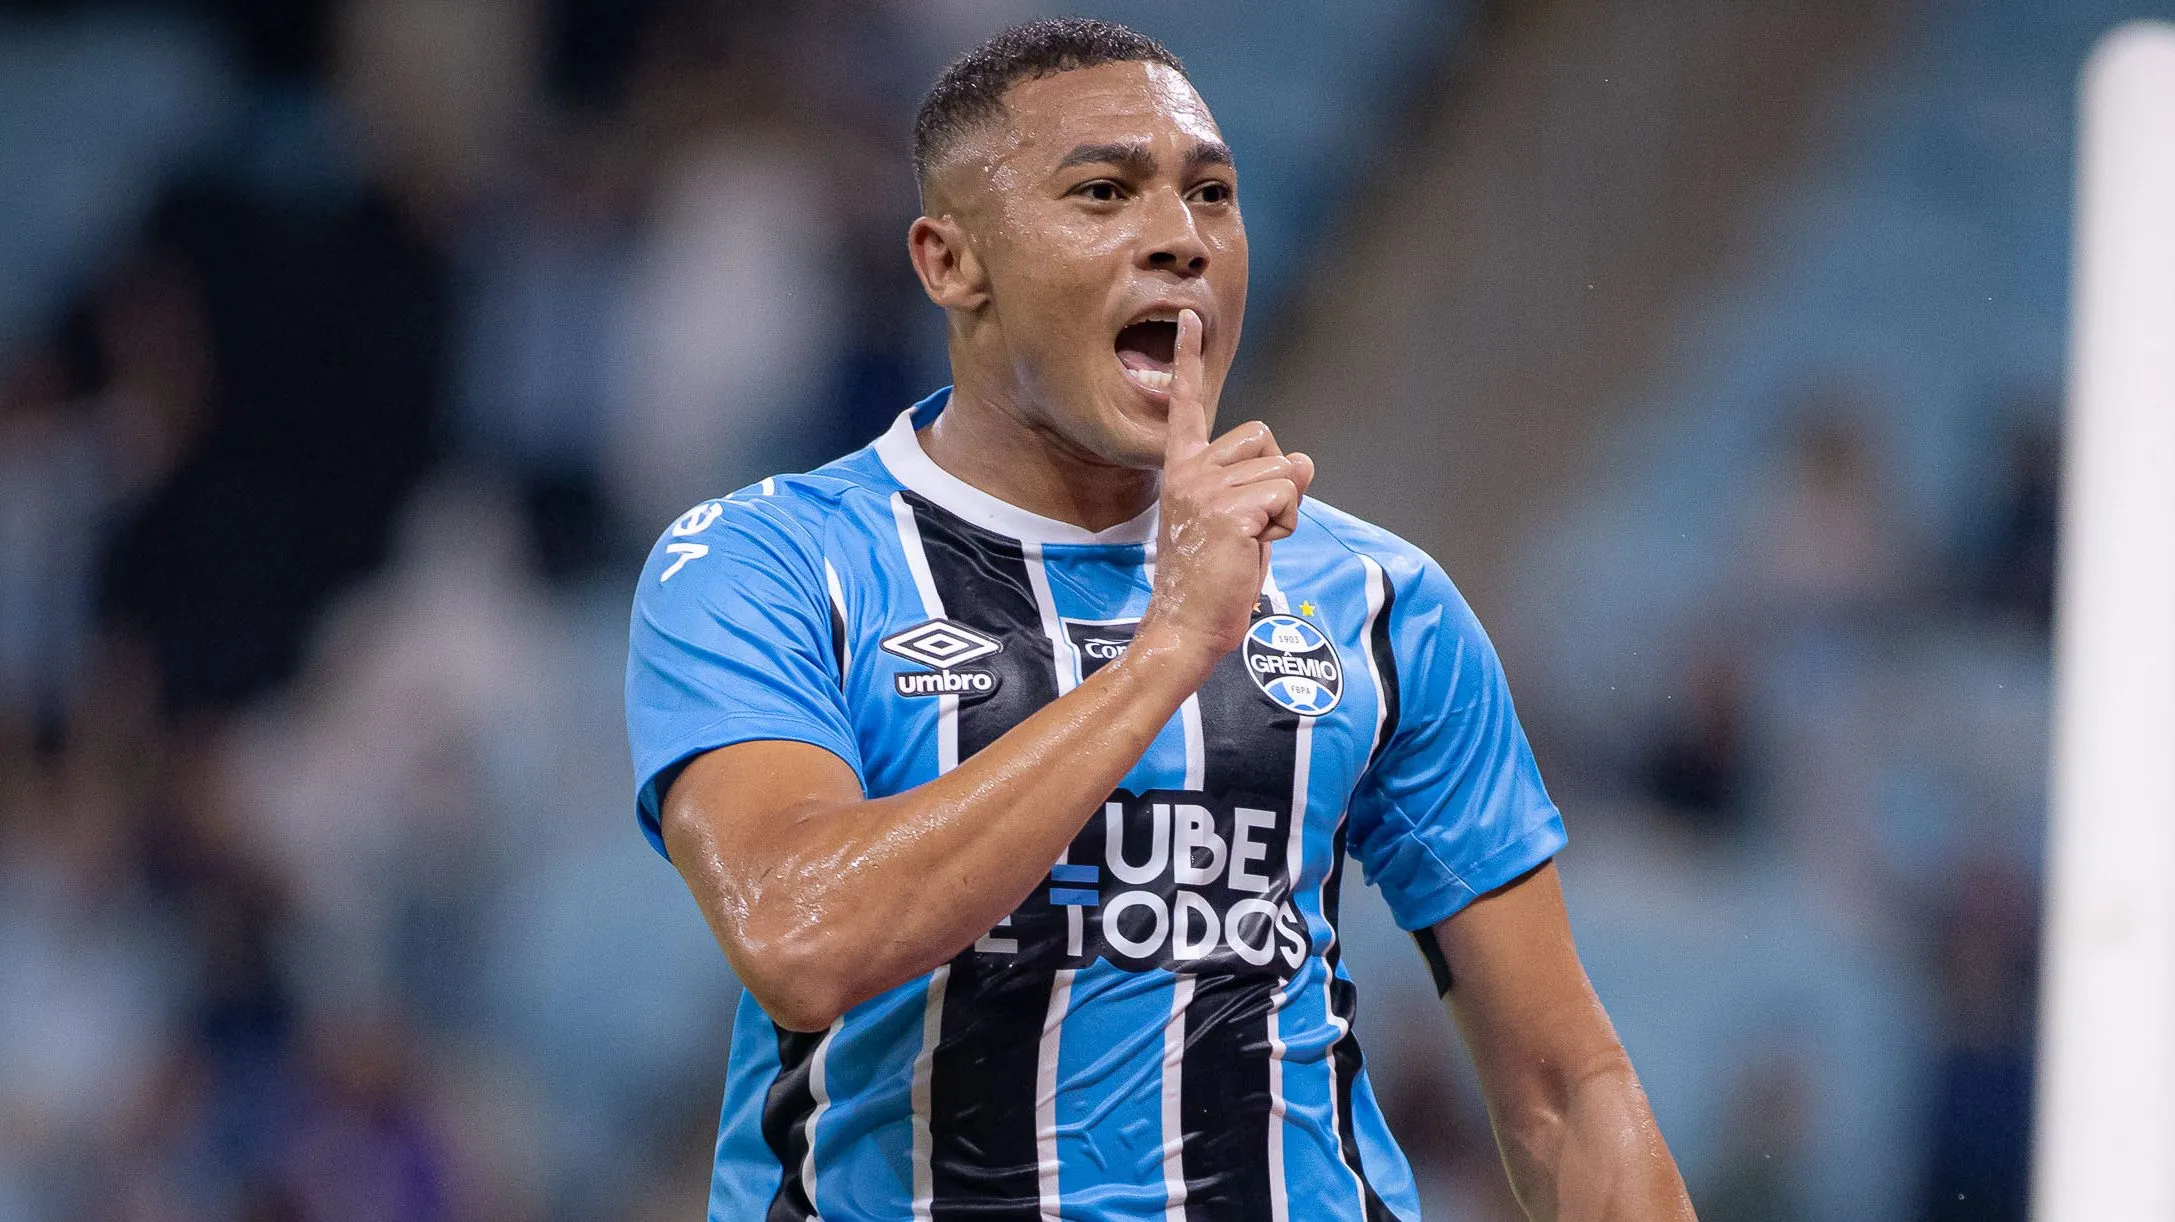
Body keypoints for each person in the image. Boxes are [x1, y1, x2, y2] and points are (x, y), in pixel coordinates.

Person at [624, 18, 1692, 1221]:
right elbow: (799, 934)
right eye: (1103, 192)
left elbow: (1565, 1089)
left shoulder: (1383, 602)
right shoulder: (768, 562)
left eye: (1213, 195)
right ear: (949, 262)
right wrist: (1169, 647)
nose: (1182, 240)